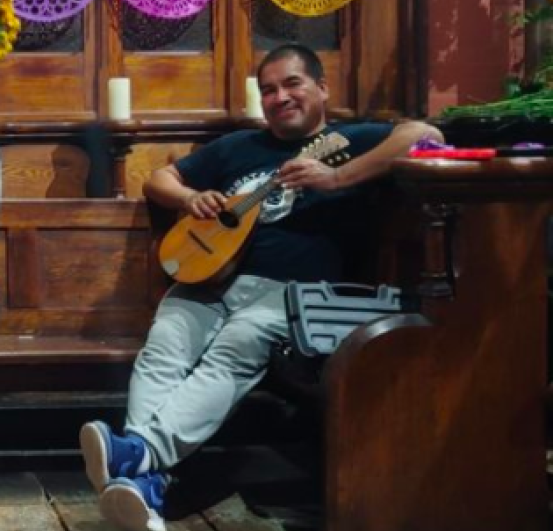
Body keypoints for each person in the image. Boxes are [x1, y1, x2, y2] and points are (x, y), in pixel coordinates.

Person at [79, 44, 443, 531]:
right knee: (164, 344)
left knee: (236, 346)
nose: (280, 97)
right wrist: (192, 198)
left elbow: (424, 133)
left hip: (289, 292)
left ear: (322, 88)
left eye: (292, 84)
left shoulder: (349, 138)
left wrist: (336, 178)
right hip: (208, 278)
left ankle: (142, 456)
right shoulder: (237, 148)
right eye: (268, 89)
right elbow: (159, 180)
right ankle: (148, 479)